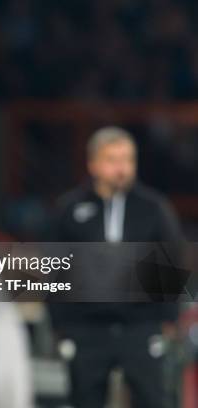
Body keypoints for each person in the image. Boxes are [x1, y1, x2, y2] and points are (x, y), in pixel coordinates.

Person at [50, 127, 183, 408]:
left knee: (153, 400)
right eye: (112, 159)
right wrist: (61, 323)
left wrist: (167, 319)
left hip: (141, 326)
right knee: (84, 399)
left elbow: (171, 262)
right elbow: (55, 268)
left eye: (128, 159)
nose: (121, 168)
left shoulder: (154, 208)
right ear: (93, 164)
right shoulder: (69, 208)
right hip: (87, 328)